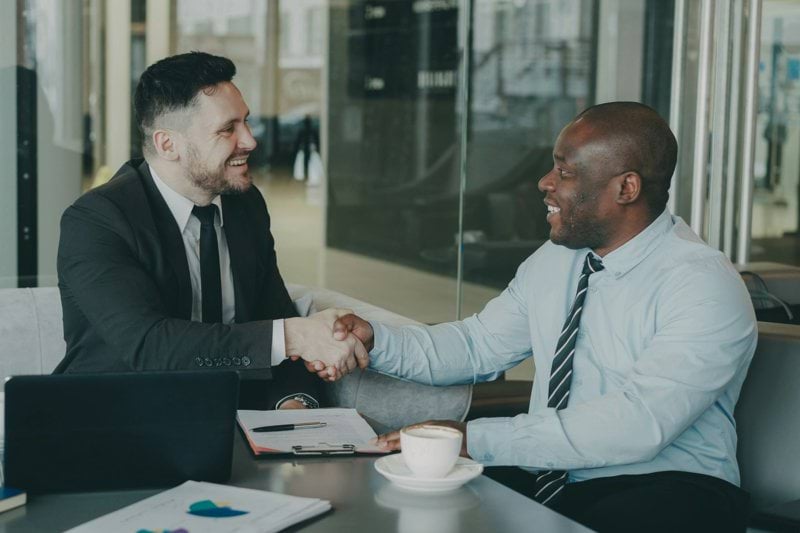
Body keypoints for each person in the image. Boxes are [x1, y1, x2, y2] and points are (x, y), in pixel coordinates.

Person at [322, 102, 757, 532]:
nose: (545, 183)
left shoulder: (702, 285)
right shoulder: (558, 258)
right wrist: (376, 339)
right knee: (408, 505)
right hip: (557, 477)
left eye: (565, 172)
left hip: (670, 488)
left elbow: (639, 423)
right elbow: (478, 344)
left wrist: (474, 439)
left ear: (626, 188)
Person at [56, 51, 366, 410]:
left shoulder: (245, 206)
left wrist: (292, 403)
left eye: (246, 122)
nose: (250, 140)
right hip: (114, 425)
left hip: (228, 422)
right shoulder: (97, 221)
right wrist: (293, 337)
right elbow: (149, 345)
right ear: (167, 144)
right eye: (228, 129)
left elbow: (273, 316)